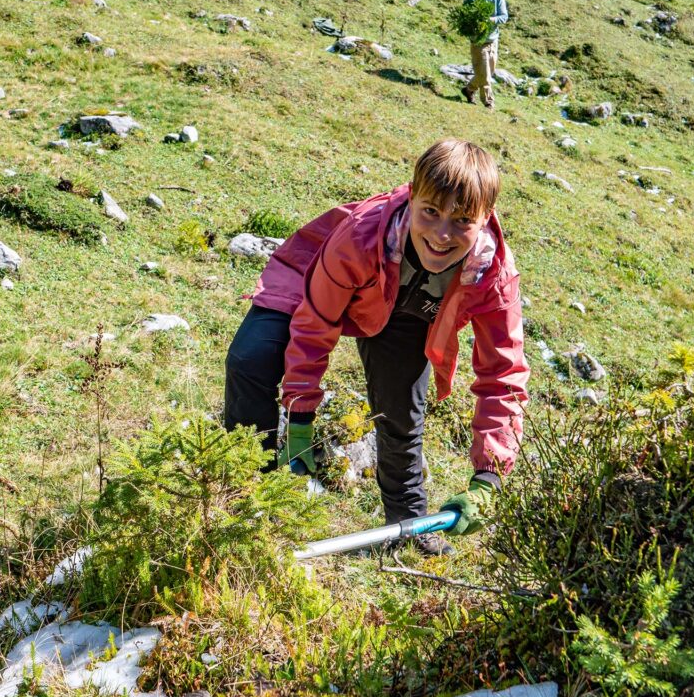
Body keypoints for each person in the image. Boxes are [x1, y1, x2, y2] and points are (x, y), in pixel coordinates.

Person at [224, 139, 529, 556]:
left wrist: (490, 476)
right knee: (251, 358)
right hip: (314, 283)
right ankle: (244, 491)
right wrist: (300, 415)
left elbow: (503, 376)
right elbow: (315, 324)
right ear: (412, 195)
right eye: (431, 212)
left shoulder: (492, 273)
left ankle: (408, 525)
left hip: (403, 312)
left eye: (462, 221)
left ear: (485, 217)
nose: (442, 235)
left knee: (401, 410)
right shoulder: (364, 234)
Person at [461, 0, 509, 110]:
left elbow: (504, 16)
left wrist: (490, 20)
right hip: (478, 42)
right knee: (486, 75)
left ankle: (469, 89)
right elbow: (465, 19)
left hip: (493, 40)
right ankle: (489, 103)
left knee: (489, 71)